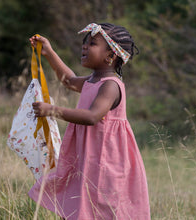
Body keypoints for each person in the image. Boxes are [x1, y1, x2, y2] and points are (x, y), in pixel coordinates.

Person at [29, 23, 150, 220]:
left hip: (105, 157)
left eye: (92, 43)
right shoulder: (92, 80)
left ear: (111, 55)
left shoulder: (111, 86)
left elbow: (93, 116)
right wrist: (48, 52)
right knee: (79, 196)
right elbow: (68, 80)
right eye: (85, 43)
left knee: (101, 204)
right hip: (87, 153)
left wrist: (52, 110)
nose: (84, 47)